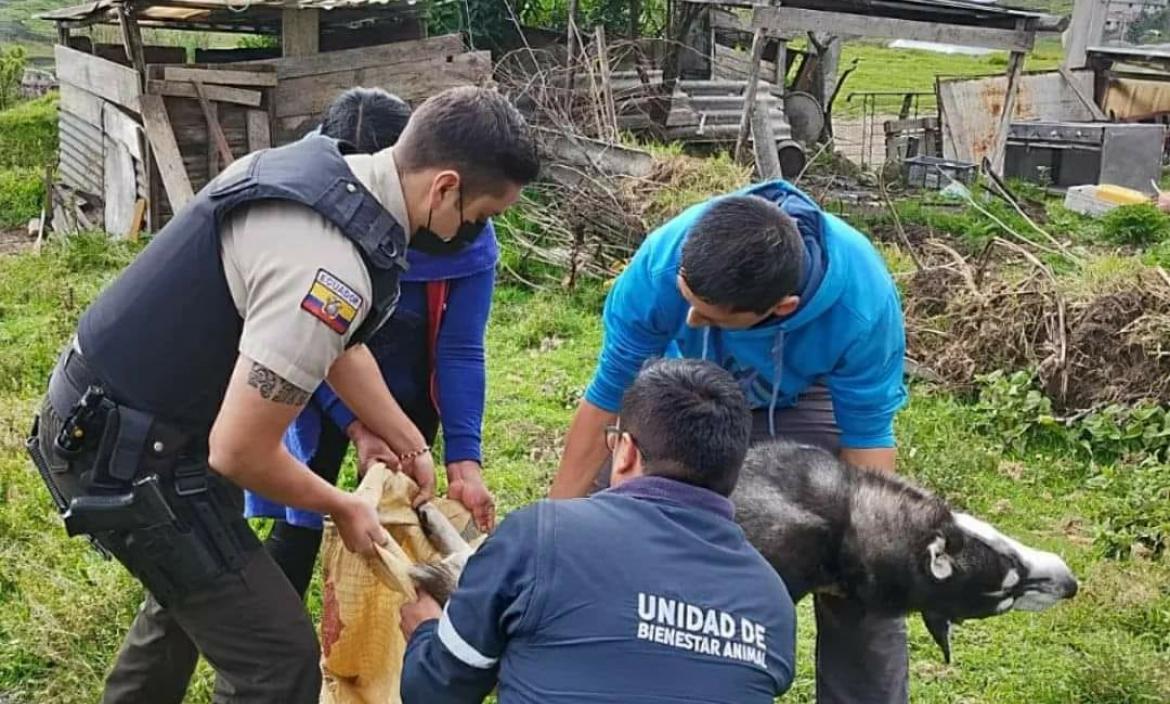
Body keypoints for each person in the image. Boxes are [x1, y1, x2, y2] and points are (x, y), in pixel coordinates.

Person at [25, 85, 538, 704]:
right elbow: (240, 452)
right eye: (479, 216)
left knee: (191, 601)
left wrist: (404, 437)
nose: (474, 232)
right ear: (445, 188)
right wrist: (345, 507)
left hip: (128, 421)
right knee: (277, 658)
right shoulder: (329, 266)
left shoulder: (327, 179)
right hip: (124, 452)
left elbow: (341, 343)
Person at [549, 181, 909, 704]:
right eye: (687, 300)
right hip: (686, 387)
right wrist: (558, 525)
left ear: (781, 308)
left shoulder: (861, 303)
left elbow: (869, 442)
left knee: (863, 563)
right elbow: (608, 396)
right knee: (617, 517)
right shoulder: (663, 265)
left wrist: (865, 546)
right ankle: (606, 672)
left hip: (804, 397)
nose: (690, 318)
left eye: (709, 314)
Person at [399, 358, 797, 704]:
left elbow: (434, 692)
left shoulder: (540, 534)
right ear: (735, 469)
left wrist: (425, 633)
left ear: (624, 451)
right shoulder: (772, 600)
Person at [245, 87, 499, 600]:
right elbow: (310, 345)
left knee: (403, 517)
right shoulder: (307, 213)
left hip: (405, 374)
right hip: (312, 376)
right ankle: (282, 649)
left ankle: (400, 649)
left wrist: (463, 461)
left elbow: (460, 349)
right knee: (301, 521)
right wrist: (357, 425)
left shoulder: (460, 223)